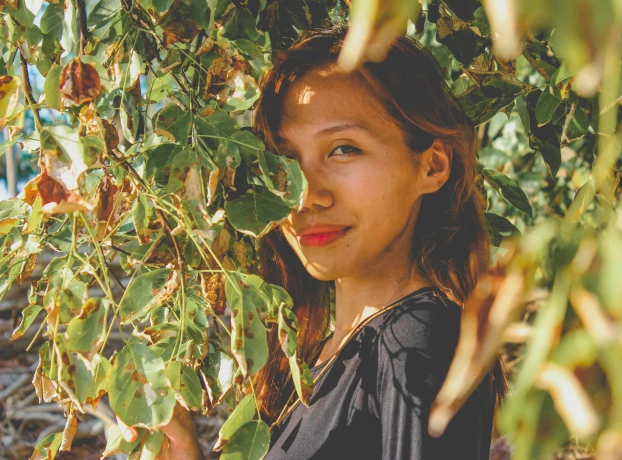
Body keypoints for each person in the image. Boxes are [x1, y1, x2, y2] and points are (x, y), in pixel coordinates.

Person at [115, 24, 506, 459]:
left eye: (342, 149)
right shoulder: (320, 352)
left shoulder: (419, 344)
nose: (304, 195)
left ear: (431, 167)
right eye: (283, 160)